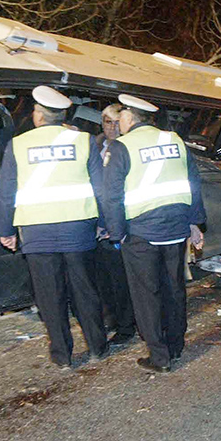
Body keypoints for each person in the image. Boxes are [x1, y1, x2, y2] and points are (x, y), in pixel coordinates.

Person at [0, 86, 110, 370]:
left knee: (50, 295)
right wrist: (105, 223)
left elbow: (6, 192)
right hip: (78, 230)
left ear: (38, 116)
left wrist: (5, 230)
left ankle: (62, 356)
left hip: (36, 232)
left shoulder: (18, 145)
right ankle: (97, 346)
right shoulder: (84, 141)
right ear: (62, 116)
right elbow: (101, 189)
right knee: (85, 290)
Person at [101, 94, 206, 373]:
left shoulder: (121, 146)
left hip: (142, 233)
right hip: (174, 230)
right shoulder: (175, 140)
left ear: (130, 117)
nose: (119, 121)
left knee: (147, 295)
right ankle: (175, 346)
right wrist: (194, 223)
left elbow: (111, 196)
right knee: (174, 289)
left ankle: (159, 357)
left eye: (121, 116)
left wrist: (117, 234)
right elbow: (193, 183)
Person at [93, 103, 137, 346]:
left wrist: (115, 225)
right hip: (98, 226)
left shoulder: (127, 148)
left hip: (121, 224)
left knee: (123, 281)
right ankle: (113, 319)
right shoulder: (94, 145)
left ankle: (126, 326)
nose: (111, 127)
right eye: (107, 122)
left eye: (115, 122)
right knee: (105, 280)